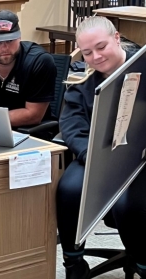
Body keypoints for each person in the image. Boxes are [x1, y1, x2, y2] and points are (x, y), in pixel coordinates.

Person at [57, 16, 146, 279]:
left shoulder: (142, 63)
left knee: (128, 203)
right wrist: (90, 155)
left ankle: (142, 263)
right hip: (96, 155)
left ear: (117, 38)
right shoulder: (79, 73)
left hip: (141, 158)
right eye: (87, 52)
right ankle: (74, 264)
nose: (95, 57)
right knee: (69, 190)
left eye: (101, 46)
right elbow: (71, 122)